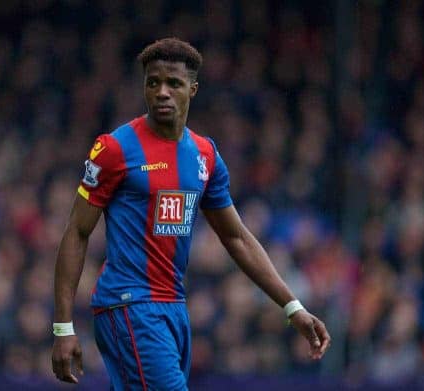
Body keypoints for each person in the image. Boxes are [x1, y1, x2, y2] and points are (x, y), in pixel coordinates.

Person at [51, 37, 331, 390]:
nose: (162, 92)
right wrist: (63, 327)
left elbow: (237, 237)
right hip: (130, 305)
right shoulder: (115, 149)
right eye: (153, 83)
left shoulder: (205, 155)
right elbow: (77, 231)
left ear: (193, 89)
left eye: (174, 83)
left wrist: (293, 308)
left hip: (174, 309)